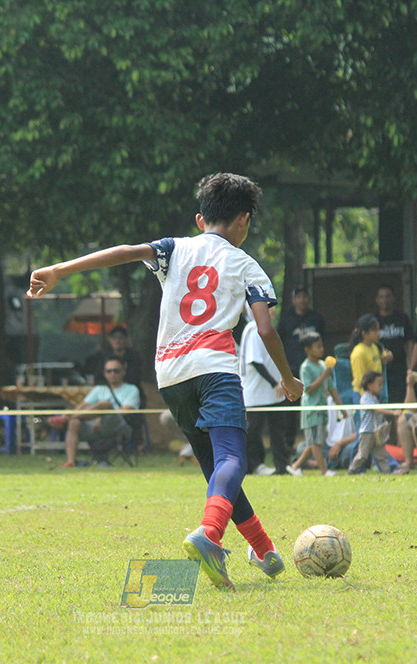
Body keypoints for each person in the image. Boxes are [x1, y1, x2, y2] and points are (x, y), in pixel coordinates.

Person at [27, 172, 303, 590]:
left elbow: (124, 252)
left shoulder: (175, 249)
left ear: (200, 219)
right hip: (215, 368)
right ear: (245, 220)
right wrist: (288, 378)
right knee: (233, 459)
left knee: (217, 472)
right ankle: (209, 535)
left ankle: (264, 551)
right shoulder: (247, 265)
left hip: (171, 374)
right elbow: (264, 329)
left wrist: (60, 270)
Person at [58, 356, 140, 467]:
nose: (112, 374)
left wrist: (100, 415)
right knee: (74, 422)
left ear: (123, 372)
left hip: (120, 425)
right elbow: (81, 406)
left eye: (116, 371)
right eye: (109, 371)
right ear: (105, 374)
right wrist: (86, 416)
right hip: (95, 426)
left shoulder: (132, 389)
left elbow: (126, 411)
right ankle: (71, 461)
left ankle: (69, 417)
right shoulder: (99, 389)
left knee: (105, 404)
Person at [287, 332, 347, 476]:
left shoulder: (322, 365)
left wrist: (342, 408)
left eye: (321, 346)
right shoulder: (306, 367)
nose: (321, 349)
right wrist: (323, 376)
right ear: (307, 349)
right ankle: (324, 471)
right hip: (311, 411)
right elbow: (308, 389)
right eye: (318, 347)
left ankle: (294, 467)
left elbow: (332, 389)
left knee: (313, 443)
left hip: (322, 411)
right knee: (316, 443)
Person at [239, 304, 288, 475]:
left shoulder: (266, 329)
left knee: (278, 431)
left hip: (271, 393)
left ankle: (282, 466)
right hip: (256, 393)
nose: (272, 310)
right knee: (252, 432)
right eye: (268, 307)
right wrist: (274, 383)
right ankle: (239, 464)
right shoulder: (254, 330)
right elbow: (255, 361)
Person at [277, 286, 327, 450]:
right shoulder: (286, 319)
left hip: (312, 371)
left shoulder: (317, 318)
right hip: (291, 371)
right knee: (289, 412)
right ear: (293, 300)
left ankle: (316, 446)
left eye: (305, 296)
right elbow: (279, 344)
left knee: (312, 408)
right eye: (299, 297)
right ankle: (288, 445)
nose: (302, 300)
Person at [349, 371, 399, 475]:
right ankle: (352, 470)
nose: (381, 387)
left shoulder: (374, 398)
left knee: (381, 453)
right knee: (363, 454)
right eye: (379, 384)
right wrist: (392, 412)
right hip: (367, 432)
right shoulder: (365, 398)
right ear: (370, 385)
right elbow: (375, 409)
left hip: (375, 432)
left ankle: (387, 472)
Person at [374, 285, 413, 405]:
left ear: (393, 299)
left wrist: (411, 365)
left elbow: (410, 342)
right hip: (379, 369)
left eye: (388, 297)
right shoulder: (373, 320)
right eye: (381, 297)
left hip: (399, 369)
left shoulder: (402, 318)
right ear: (377, 300)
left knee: (399, 401)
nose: (385, 300)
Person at [349, 314, 392, 399]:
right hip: (364, 395)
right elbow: (360, 379)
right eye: (374, 330)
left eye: (378, 330)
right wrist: (366, 398)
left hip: (376, 392)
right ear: (364, 333)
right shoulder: (359, 352)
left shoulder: (374, 347)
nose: (378, 333)